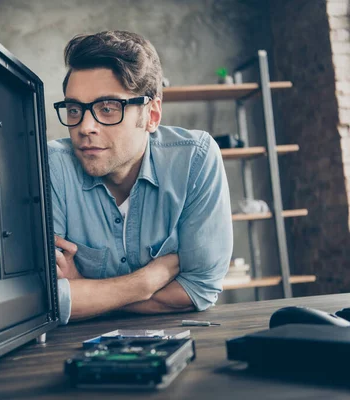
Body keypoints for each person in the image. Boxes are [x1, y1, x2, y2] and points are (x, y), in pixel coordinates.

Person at [48, 30, 233, 325]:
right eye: (74, 109)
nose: (85, 127)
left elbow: (199, 289)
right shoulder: (53, 167)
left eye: (107, 109)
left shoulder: (195, 159)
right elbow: (47, 300)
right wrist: (146, 281)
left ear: (152, 115)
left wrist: (85, 292)